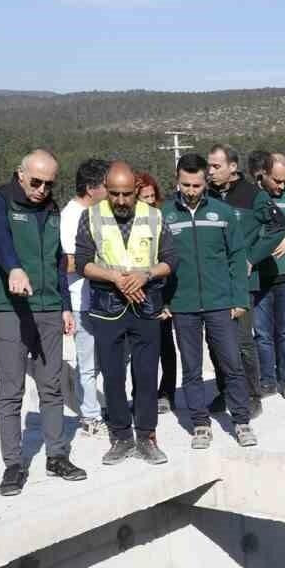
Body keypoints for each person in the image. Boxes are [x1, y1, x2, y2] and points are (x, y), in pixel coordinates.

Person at [0, 148, 86, 496]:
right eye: (35, 181)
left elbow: (58, 260)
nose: (41, 189)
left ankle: (56, 456)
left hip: (49, 306)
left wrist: (66, 306)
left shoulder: (50, 208)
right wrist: (13, 268)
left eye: (49, 184)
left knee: (51, 384)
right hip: (10, 307)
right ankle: (13, 464)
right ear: (20, 173)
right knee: (12, 389)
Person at [73, 161, 171, 467]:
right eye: (114, 194)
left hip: (145, 304)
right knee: (113, 377)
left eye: (127, 194)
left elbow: (170, 260)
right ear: (106, 188)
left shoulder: (154, 217)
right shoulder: (91, 216)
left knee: (145, 374)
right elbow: (82, 263)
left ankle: (146, 436)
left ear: (136, 190)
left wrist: (145, 275)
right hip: (108, 307)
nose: (120, 201)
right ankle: (121, 437)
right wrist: (115, 278)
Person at [159, 153, 257, 449]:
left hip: (220, 302)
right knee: (191, 368)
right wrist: (164, 301)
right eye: (186, 185)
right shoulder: (165, 215)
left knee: (231, 363)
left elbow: (236, 257)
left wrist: (239, 297)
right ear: (177, 180)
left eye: (197, 185)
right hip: (182, 305)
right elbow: (158, 261)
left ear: (205, 182)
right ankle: (200, 424)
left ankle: (241, 421)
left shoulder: (223, 213)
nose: (191, 191)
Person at [206, 144, 263, 417]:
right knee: (216, 341)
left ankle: (252, 394)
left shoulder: (253, 194)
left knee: (242, 341)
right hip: (213, 284)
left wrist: (252, 257)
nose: (210, 171)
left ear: (233, 167)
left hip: (242, 281)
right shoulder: (206, 195)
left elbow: (277, 227)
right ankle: (225, 391)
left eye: (216, 166)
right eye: (209, 166)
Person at [246, 153, 285, 398]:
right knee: (262, 333)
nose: (282, 186)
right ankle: (267, 380)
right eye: (277, 181)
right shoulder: (250, 198)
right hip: (260, 276)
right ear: (263, 176)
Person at [61, 157, 109, 436]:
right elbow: (66, 262)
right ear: (91, 188)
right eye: (106, 186)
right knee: (88, 364)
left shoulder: (95, 213)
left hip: (102, 300)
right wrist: (98, 266)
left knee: (105, 360)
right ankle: (90, 418)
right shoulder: (71, 217)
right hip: (82, 301)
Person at [136, 172, 176, 415]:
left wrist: (167, 301)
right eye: (145, 197)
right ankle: (141, 394)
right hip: (136, 294)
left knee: (165, 346)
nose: (150, 201)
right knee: (140, 350)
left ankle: (167, 392)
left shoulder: (161, 220)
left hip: (161, 292)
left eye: (153, 196)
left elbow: (170, 261)